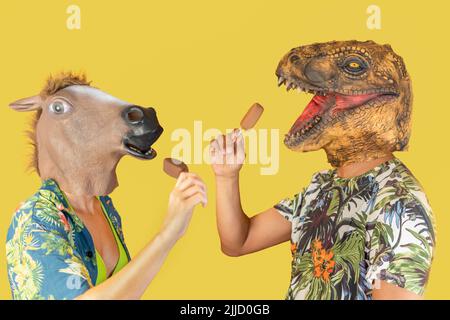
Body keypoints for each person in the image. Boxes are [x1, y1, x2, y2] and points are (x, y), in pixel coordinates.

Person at [209, 40, 435, 300]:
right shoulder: (322, 187)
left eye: (353, 66)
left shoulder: (399, 203)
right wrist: (226, 175)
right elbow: (239, 241)